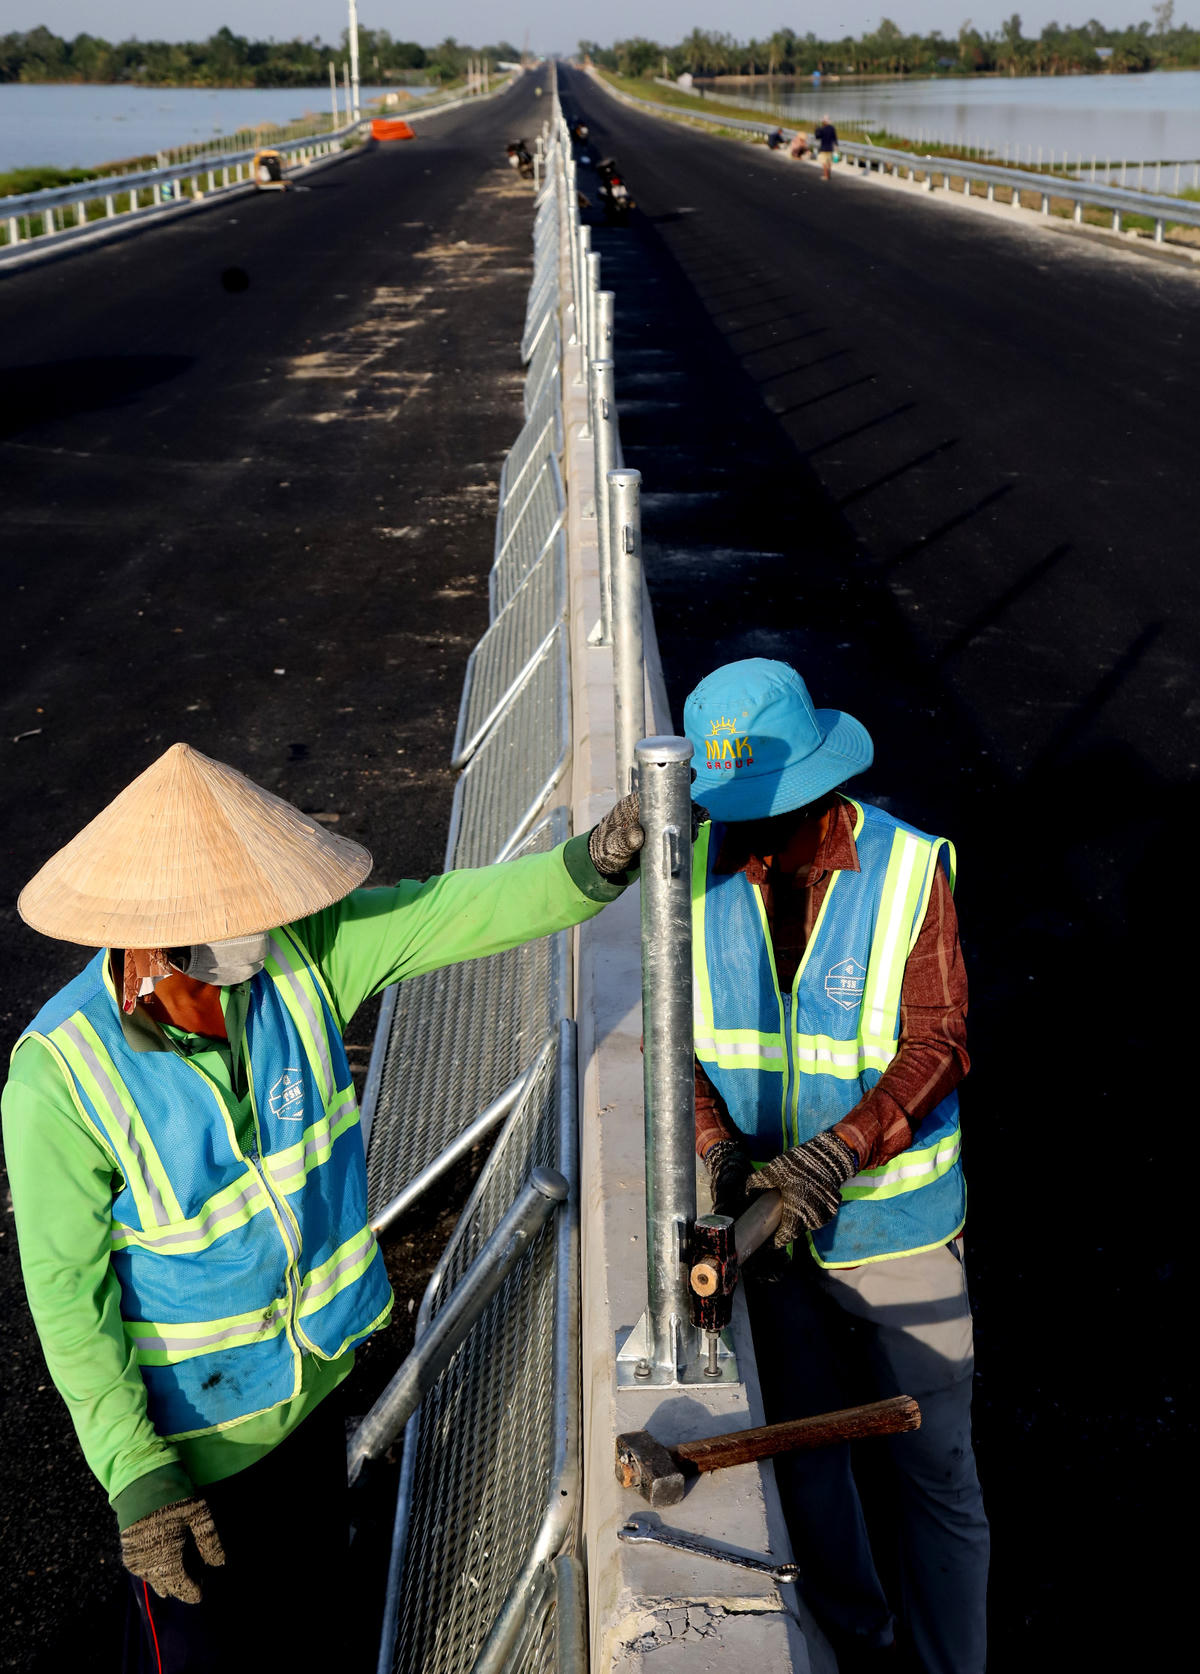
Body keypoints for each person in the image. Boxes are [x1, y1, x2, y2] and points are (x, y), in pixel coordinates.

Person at [2, 742, 645, 1672]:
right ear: (150, 937)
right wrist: (135, 1471)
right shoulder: (59, 1078)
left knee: (306, 1636)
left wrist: (588, 867)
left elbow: (452, 911)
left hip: (314, 1396)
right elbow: (68, 1294)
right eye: (232, 923)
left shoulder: (305, 960)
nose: (258, 937)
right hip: (191, 1453)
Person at [685, 660, 988, 1674]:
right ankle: (861, 1633)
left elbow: (938, 1040)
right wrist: (716, 1147)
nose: (749, 839)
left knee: (936, 1471)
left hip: (894, 1228)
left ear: (825, 791)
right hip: (768, 1238)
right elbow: (669, 1036)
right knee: (808, 1456)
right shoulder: (697, 872)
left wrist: (839, 1152)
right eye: (734, 815)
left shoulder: (908, 873)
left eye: (770, 814)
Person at [815, 114, 838, 180]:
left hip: (824, 148)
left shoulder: (822, 128)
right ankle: (829, 174)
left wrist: (816, 129)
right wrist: (836, 145)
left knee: (824, 162)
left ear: (824, 121)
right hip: (830, 148)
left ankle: (826, 175)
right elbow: (835, 138)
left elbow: (817, 136)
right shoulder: (832, 128)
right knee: (829, 162)